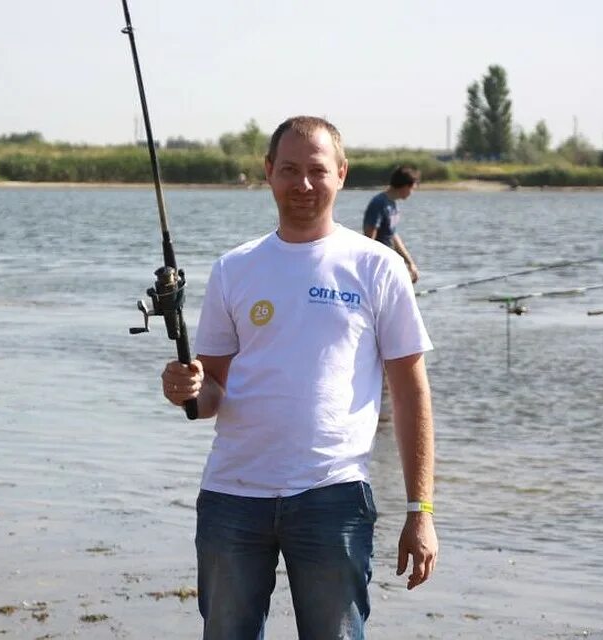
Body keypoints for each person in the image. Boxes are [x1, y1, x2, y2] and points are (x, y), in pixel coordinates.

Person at [161, 116, 437, 640]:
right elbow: (212, 389)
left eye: (317, 170)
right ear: (269, 173)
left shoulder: (378, 267)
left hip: (333, 496)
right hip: (232, 496)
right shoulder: (234, 268)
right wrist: (187, 390)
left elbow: (410, 393)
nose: (303, 184)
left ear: (342, 174)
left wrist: (420, 510)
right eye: (289, 169)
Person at [363, 165, 421, 283]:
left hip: (389, 262)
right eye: (412, 188)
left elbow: (393, 235)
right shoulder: (379, 203)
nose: (412, 192)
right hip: (378, 265)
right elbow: (370, 239)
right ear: (405, 186)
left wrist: (410, 263)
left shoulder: (393, 204)